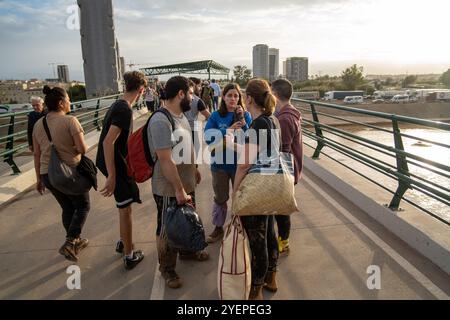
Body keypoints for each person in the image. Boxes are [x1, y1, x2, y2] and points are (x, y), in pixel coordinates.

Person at [147, 76, 207, 289]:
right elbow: (165, 160)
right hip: (168, 188)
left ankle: (188, 251)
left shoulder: (180, 115)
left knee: (187, 220)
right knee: (167, 227)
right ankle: (167, 268)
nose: (193, 97)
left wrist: (194, 170)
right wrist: (179, 189)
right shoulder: (161, 120)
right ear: (181, 93)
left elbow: (185, 148)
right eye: (190, 93)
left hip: (186, 182)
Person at [232, 78, 279, 300]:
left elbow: (244, 164)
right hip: (272, 186)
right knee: (270, 234)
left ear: (249, 98)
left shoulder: (258, 124)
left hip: (257, 188)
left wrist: (235, 194)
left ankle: (255, 291)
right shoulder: (272, 120)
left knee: (257, 241)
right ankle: (271, 277)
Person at [96, 71, 147, 270]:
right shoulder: (124, 110)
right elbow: (109, 142)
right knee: (125, 209)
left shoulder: (117, 104)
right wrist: (112, 176)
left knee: (123, 205)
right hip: (115, 164)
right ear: (142, 90)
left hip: (113, 161)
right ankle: (129, 255)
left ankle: (122, 242)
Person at [32, 86, 90, 262]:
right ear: (61, 103)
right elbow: (82, 149)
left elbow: (36, 153)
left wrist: (38, 179)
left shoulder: (38, 124)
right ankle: (70, 241)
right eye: (68, 99)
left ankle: (75, 242)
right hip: (69, 174)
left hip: (47, 175)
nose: (70, 102)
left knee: (67, 208)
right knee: (82, 206)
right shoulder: (70, 121)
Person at [204, 83, 252, 243]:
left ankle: (240, 226)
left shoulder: (245, 115)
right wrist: (228, 130)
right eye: (229, 95)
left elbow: (251, 138)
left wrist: (244, 125)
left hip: (240, 165)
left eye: (236, 95)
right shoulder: (216, 116)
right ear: (223, 97)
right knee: (220, 197)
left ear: (240, 98)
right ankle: (218, 227)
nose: (233, 98)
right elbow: (208, 136)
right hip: (220, 165)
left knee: (240, 196)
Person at [271, 79, 303, 256]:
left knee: (282, 211)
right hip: (290, 170)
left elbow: (282, 150)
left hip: (285, 172)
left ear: (275, 95)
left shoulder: (284, 118)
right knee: (281, 209)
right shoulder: (291, 113)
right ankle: (283, 240)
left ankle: (283, 242)